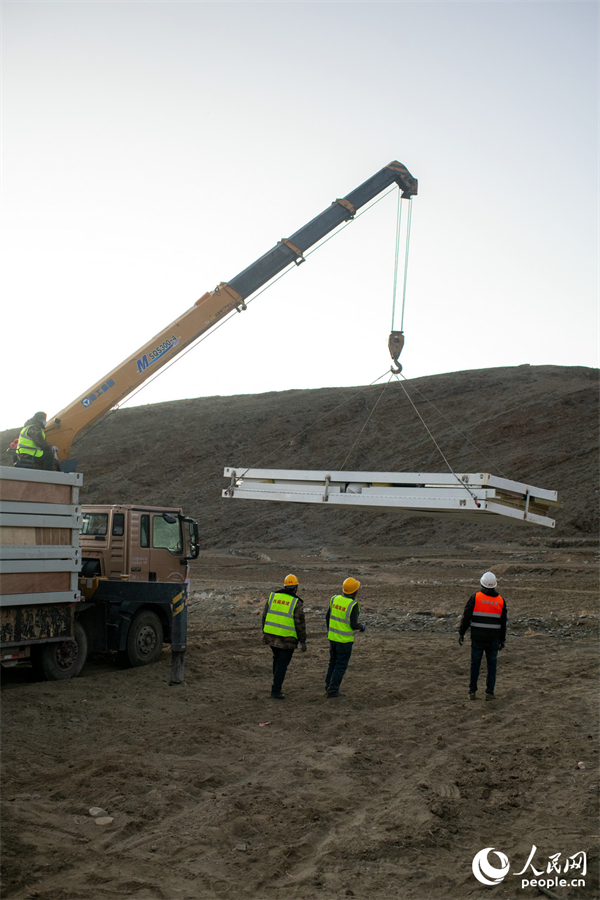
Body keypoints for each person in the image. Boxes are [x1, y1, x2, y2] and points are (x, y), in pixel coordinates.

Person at [459, 571, 507, 701]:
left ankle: (472, 692)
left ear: (482, 583)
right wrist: (502, 639)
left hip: (477, 638)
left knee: (475, 664)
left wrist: (461, 632)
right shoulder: (500, 601)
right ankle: (489, 693)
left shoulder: (476, 597)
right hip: (493, 639)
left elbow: (466, 617)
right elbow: (503, 623)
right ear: (495, 585)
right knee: (492, 666)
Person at [262, 574, 307, 700]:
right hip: (287, 640)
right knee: (282, 664)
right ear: (295, 588)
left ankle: (276, 683)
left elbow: (264, 616)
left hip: (271, 636)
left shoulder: (273, 596)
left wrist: (265, 632)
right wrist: (302, 640)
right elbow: (300, 623)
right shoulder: (296, 602)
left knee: (277, 660)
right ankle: (276, 690)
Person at [325, 577, 366, 698]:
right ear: (355, 591)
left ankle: (328, 686)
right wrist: (362, 627)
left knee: (332, 662)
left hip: (332, 638)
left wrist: (330, 632)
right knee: (340, 665)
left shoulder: (334, 599)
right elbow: (353, 625)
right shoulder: (353, 605)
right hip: (344, 641)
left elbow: (328, 617)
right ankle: (333, 690)